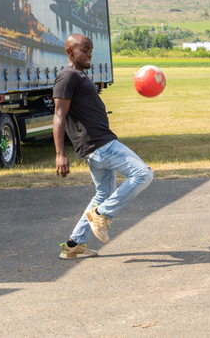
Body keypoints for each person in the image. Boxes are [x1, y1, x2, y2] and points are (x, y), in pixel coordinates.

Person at [53, 33, 153, 259]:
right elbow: (59, 116)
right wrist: (60, 154)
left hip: (98, 144)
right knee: (143, 175)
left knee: (103, 193)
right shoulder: (67, 77)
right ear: (70, 51)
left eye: (91, 50)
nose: (89, 54)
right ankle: (102, 215)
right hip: (100, 144)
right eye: (84, 49)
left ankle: (73, 245)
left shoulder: (79, 75)